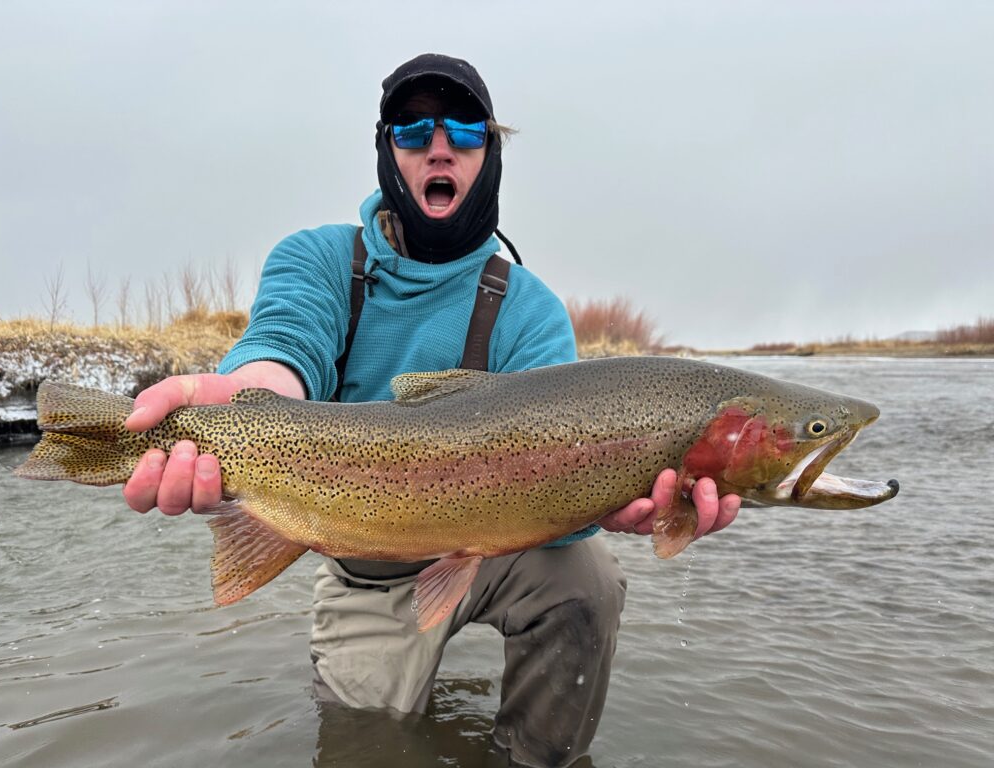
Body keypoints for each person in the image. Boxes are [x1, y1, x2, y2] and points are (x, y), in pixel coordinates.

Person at [122, 53, 740, 768]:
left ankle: (532, 759)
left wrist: (611, 503)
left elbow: (559, 475)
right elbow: (285, 348)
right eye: (413, 130)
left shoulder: (529, 310)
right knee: (364, 746)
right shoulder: (318, 260)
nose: (438, 144)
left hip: (493, 555)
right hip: (357, 561)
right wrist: (252, 402)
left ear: (490, 151)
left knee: (588, 581)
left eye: (464, 128)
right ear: (388, 152)